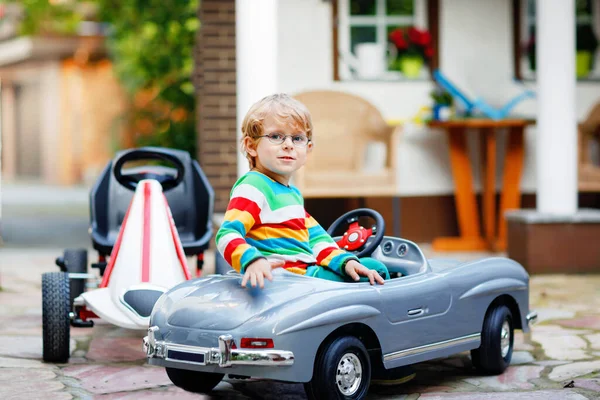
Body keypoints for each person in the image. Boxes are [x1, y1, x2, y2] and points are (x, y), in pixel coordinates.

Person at [215, 93, 390, 289]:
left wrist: (345, 262)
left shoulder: (292, 194)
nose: (288, 145)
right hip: (283, 280)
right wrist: (253, 260)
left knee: (364, 266)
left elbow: (316, 239)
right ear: (251, 146)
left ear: (307, 149)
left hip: (305, 275)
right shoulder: (253, 186)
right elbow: (227, 234)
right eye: (276, 136)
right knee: (379, 270)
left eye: (297, 138)